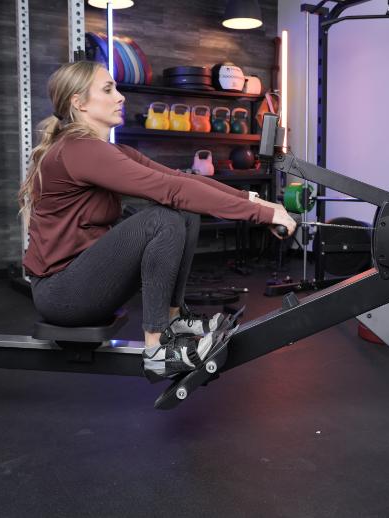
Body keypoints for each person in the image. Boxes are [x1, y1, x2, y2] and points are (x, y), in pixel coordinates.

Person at [18, 61, 297, 378]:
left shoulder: (106, 150)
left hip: (85, 281)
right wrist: (262, 214)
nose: (120, 97)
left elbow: (180, 179)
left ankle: (172, 319)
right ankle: (157, 351)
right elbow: (172, 189)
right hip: (62, 295)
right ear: (79, 103)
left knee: (184, 209)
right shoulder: (77, 150)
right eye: (108, 89)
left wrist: (251, 200)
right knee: (161, 218)